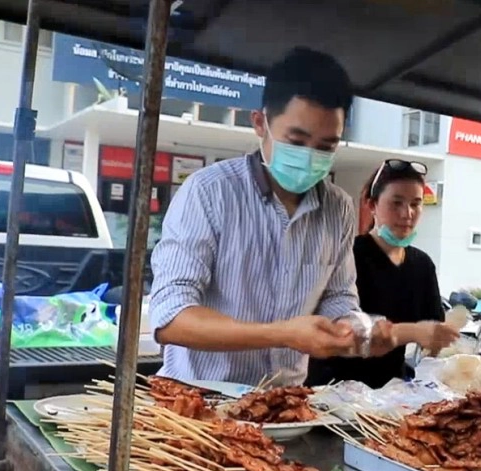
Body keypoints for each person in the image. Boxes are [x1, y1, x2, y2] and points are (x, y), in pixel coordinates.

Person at [149, 48, 392, 387]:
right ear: (260, 123)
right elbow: (170, 318)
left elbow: (338, 297)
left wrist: (354, 329)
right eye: (297, 141)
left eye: (326, 146)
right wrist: (282, 334)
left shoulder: (337, 207)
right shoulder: (208, 193)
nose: (310, 157)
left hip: (284, 400)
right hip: (199, 399)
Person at [307, 159, 460, 388]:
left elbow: (432, 336)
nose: (407, 213)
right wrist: (412, 332)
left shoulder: (422, 265)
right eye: (396, 203)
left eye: (415, 204)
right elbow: (337, 331)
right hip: (333, 390)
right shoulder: (347, 256)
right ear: (372, 204)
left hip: (391, 393)